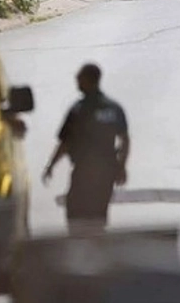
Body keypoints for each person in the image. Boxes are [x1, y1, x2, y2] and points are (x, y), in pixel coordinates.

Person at [42, 63, 129, 235]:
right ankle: (97, 249)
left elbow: (65, 143)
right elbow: (125, 140)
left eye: (79, 77)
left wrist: (51, 165)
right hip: (107, 172)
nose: (77, 80)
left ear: (88, 80)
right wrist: (121, 166)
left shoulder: (78, 110)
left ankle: (81, 251)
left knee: (75, 214)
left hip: (84, 172)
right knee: (99, 215)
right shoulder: (113, 108)